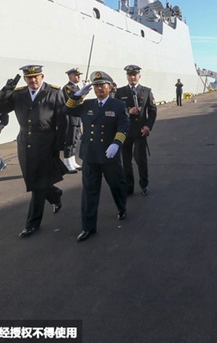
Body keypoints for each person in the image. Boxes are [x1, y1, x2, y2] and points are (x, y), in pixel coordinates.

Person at [0, 64, 69, 238]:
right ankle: (55, 194)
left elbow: (63, 121)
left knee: (37, 184)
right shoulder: (18, 94)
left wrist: (60, 146)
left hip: (46, 143)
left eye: (36, 77)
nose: (32, 80)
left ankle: (32, 223)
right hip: (25, 143)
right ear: (25, 79)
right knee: (31, 178)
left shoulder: (54, 92)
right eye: (29, 78)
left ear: (42, 76)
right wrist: (6, 90)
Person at [65, 70, 130, 241]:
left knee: (117, 185)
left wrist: (116, 143)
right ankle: (88, 227)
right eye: (96, 86)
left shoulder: (118, 105)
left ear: (110, 87)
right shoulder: (87, 104)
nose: (99, 89)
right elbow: (67, 109)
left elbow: (123, 127)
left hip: (109, 156)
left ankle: (121, 207)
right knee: (89, 192)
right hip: (90, 156)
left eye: (102, 85)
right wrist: (78, 94)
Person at [115, 65, 157, 196]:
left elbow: (153, 111)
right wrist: (128, 111)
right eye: (130, 75)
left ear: (139, 76)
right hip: (125, 132)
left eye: (135, 75)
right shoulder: (120, 92)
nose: (132, 77)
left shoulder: (146, 91)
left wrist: (148, 126)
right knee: (126, 160)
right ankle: (129, 186)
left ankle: (144, 184)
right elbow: (116, 111)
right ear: (127, 76)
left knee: (140, 158)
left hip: (140, 131)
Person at [62, 68, 84, 173]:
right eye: (76, 75)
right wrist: (83, 93)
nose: (78, 77)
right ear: (70, 76)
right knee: (69, 141)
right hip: (70, 118)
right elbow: (72, 99)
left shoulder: (76, 87)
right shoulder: (68, 88)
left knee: (75, 140)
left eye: (79, 75)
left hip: (77, 117)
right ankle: (67, 163)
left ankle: (72, 161)